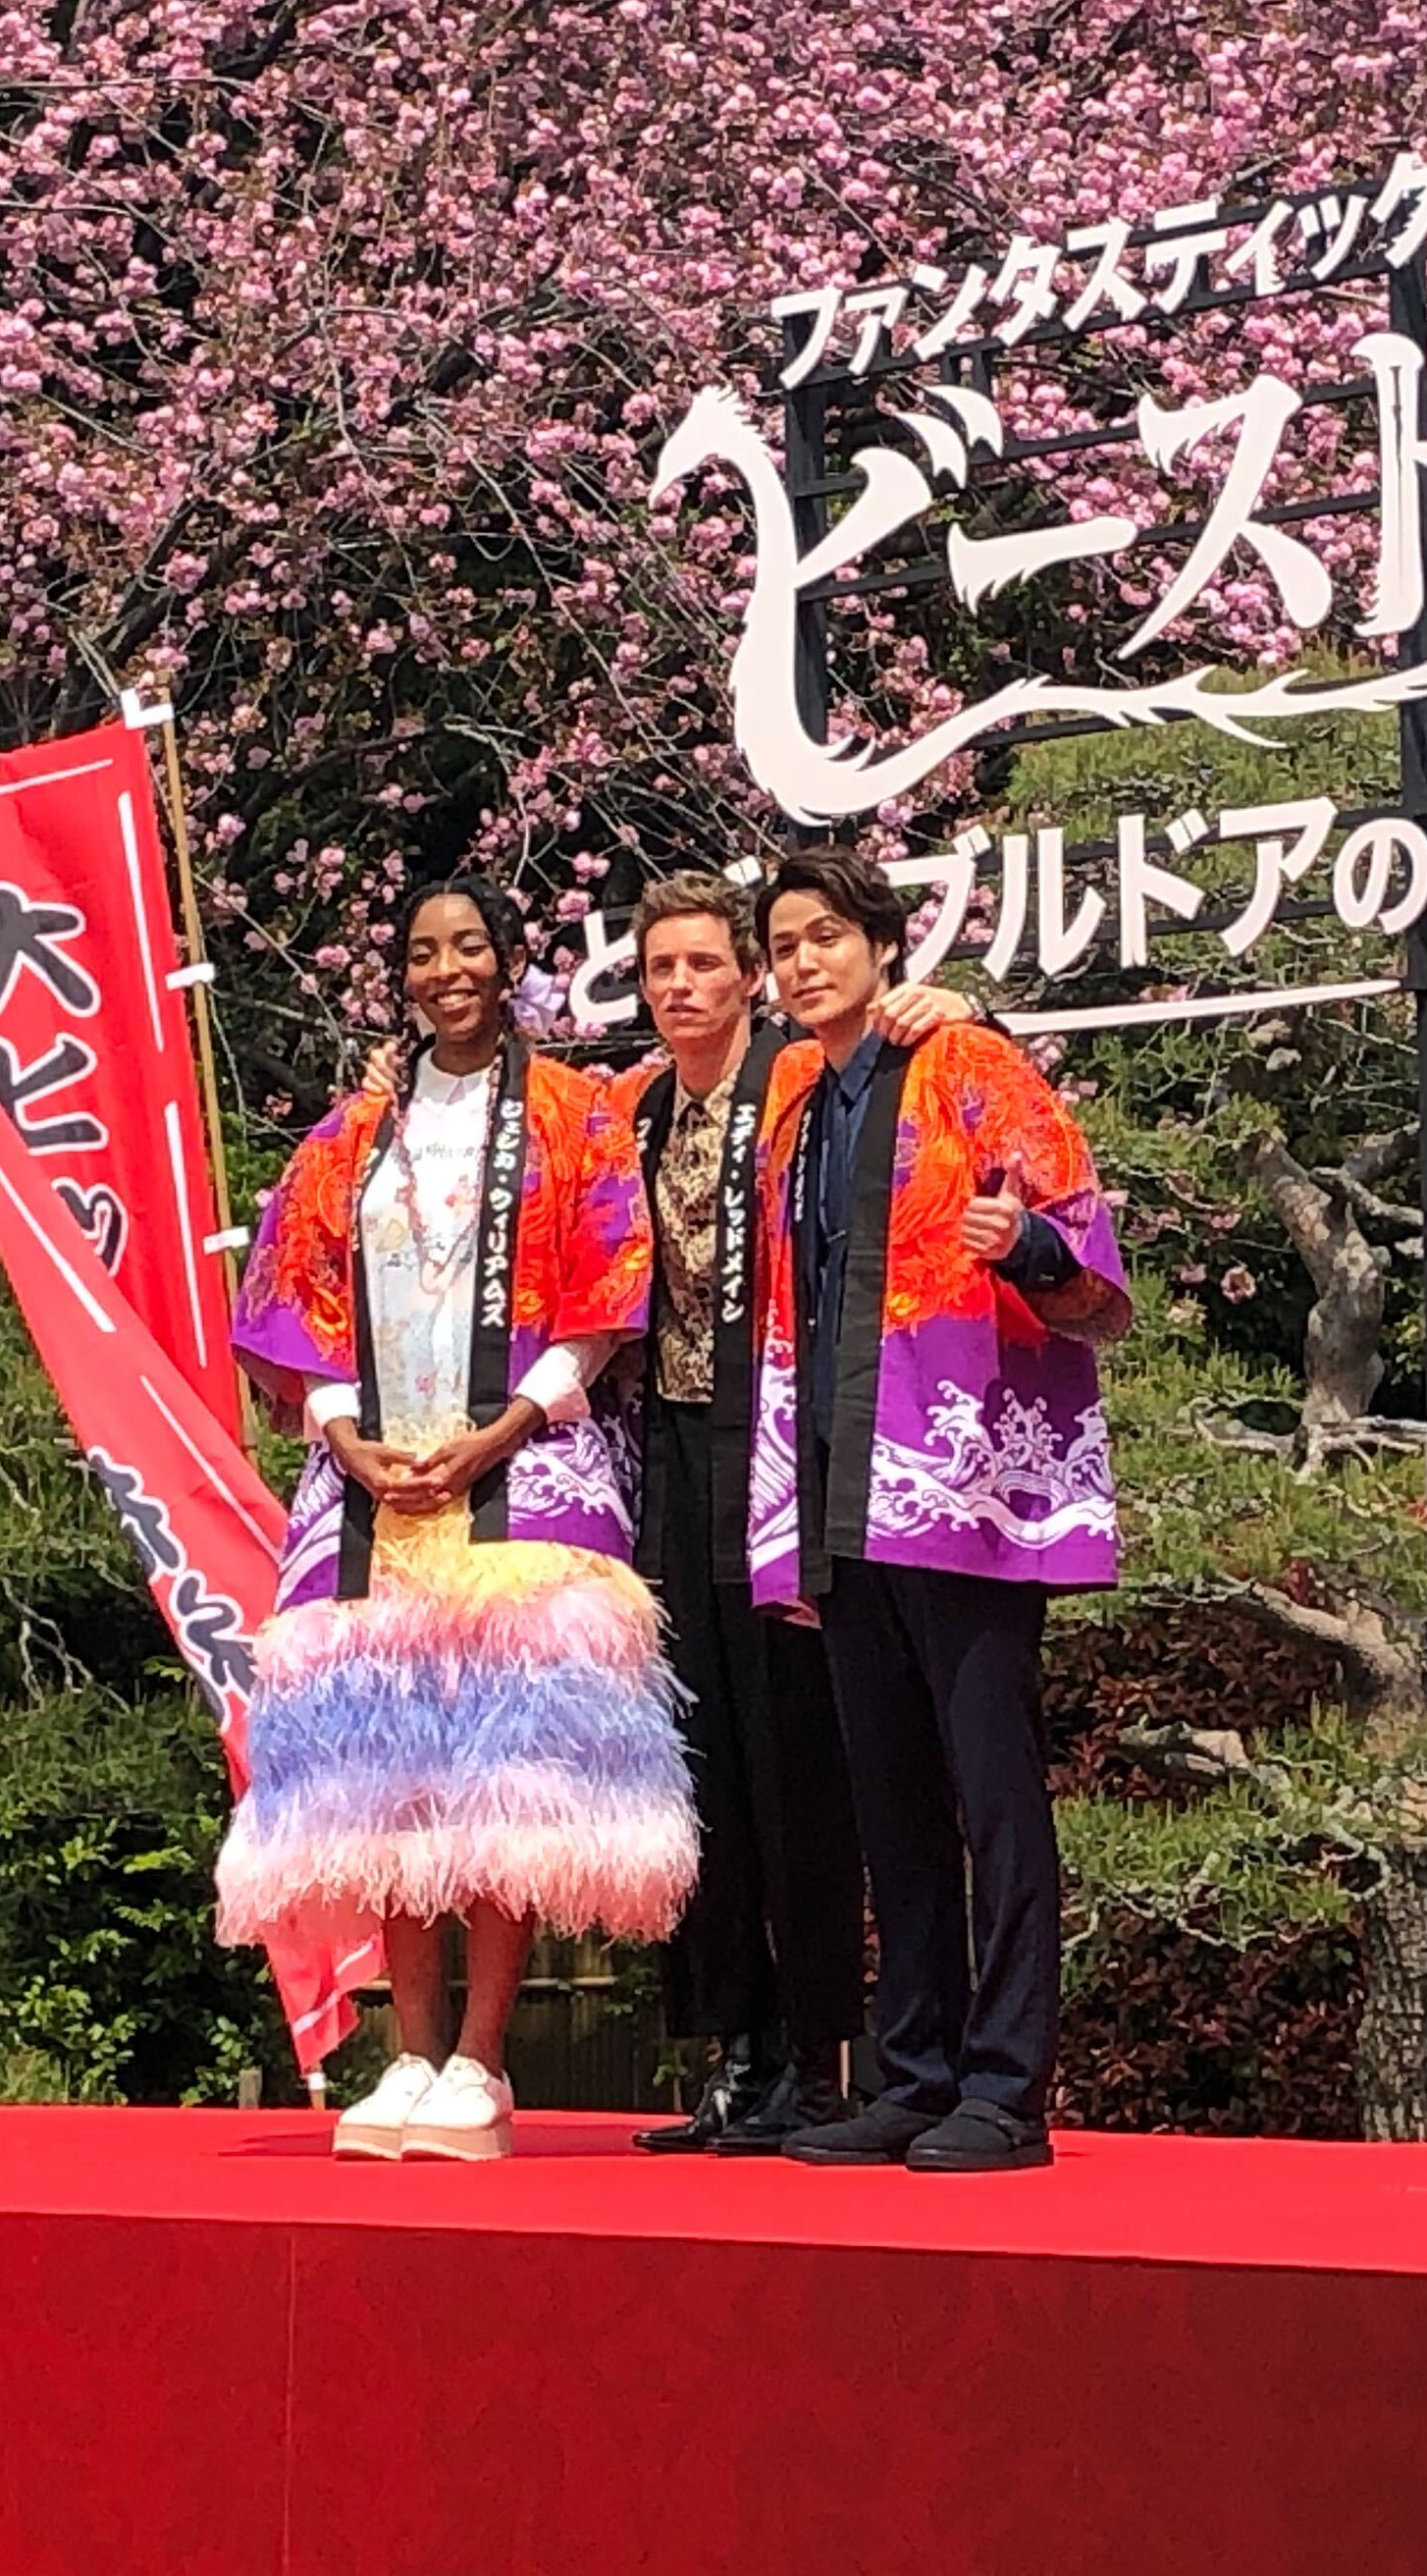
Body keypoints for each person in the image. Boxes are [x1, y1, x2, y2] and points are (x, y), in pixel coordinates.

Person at [213, 877, 696, 2161]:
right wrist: (342, 1433)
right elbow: (293, 1289)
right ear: (405, 978)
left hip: (525, 1460)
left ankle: (484, 2055)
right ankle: (411, 2050)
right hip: (368, 1474)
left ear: (508, 959)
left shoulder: (576, 1115)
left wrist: (505, 1426)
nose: (448, 970)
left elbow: (608, 1284)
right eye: (424, 952)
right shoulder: (353, 1130)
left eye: (470, 945)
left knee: (506, 1766)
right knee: (389, 1770)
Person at [746, 844, 1131, 2174]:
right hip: (843, 1480)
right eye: (784, 945)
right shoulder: (796, 1095)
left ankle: (1007, 2086)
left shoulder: (968, 1062)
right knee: (892, 1801)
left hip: (961, 1479)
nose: (804, 962)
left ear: (883, 946)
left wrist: (1024, 1245)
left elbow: (1082, 1249)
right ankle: (914, 2072)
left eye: (826, 937)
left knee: (992, 1792)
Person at [606, 873, 871, 2155]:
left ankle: (817, 2058)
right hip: (665, 1445)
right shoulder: (635, 1108)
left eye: (705, 964)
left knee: (792, 1756)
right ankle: (735, 2049)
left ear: (749, 977)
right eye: (660, 968)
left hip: (774, 1445)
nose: (681, 987)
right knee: (692, 1757)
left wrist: (952, 1005)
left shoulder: (799, 1083)